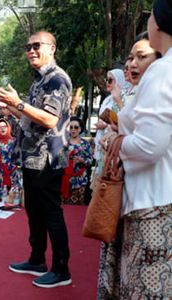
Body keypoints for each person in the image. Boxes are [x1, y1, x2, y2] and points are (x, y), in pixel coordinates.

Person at [0, 31, 72, 288]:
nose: (31, 51)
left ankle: (61, 269)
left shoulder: (57, 80)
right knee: (34, 212)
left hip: (48, 157)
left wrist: (19, 104)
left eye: (37, 46)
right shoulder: (39, 81)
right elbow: (31, 117)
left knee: (50, 213)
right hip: (31, 157)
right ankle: (37, 260)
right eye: (28, 47)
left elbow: (49, 119)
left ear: (52, 48)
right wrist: (10, 108)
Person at [98, 11, 170, 296]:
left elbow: (150, 146)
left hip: (153, 204)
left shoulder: (163, 71)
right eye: (130, 58)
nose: (132, 64)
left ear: (160, 22)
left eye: (141, 57)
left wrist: (117, 144)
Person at [61, 117, 92, 205]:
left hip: (80, 181)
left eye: (76, 127)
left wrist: (82, 160)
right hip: (65, 180)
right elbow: (58, 161)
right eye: (71, 127)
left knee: (77, 210)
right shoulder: (63, 142)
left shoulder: (85, 144)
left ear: (80, 129)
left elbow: (90, 160)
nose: (73, 130)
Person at [0, 119, 20, 200]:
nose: (2, 129)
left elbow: (18, 156)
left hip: (13, 170)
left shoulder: (14, 141)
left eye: (4, 126)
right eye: (0, 127)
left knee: (14, 196)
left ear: (8, 128)